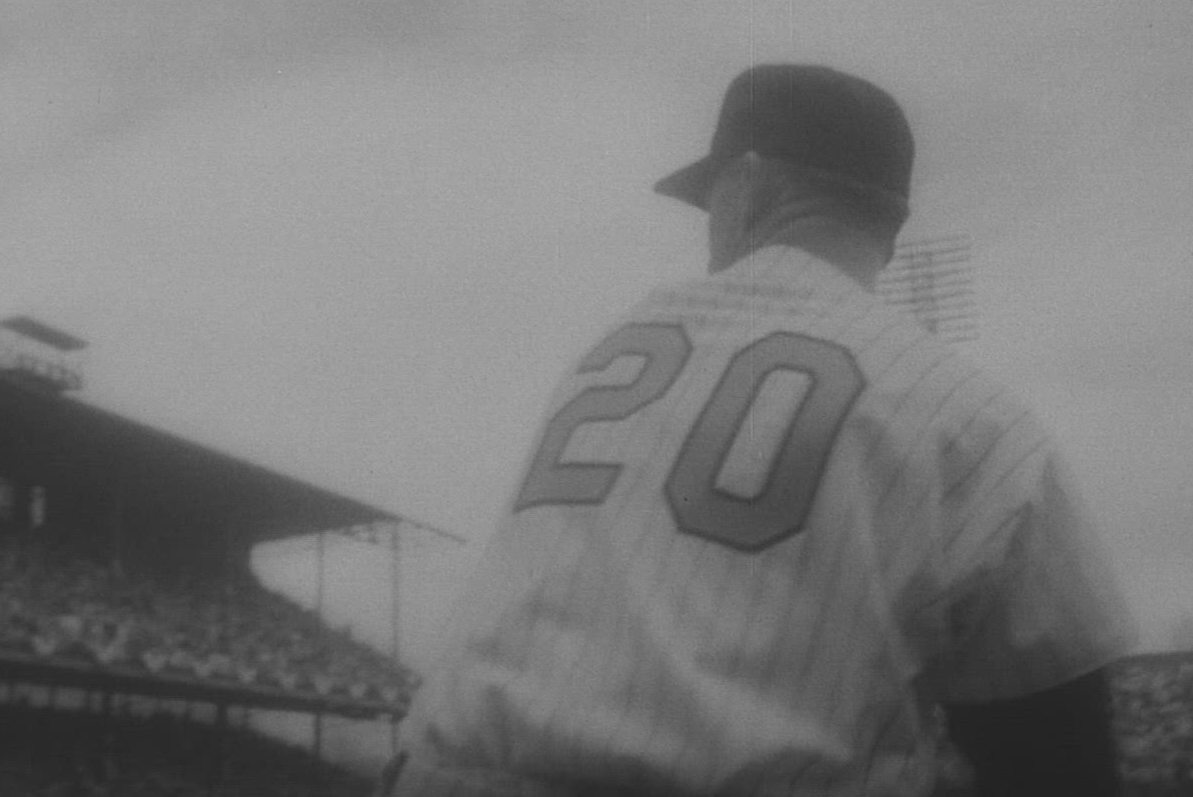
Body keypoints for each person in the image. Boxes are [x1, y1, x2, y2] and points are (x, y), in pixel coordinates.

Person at [387, 64, 1137, 797]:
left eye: (710, 197)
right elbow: (1055, 757)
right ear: (889, 228)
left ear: (747, 185)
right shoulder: (976, 418)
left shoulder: (613, 348)